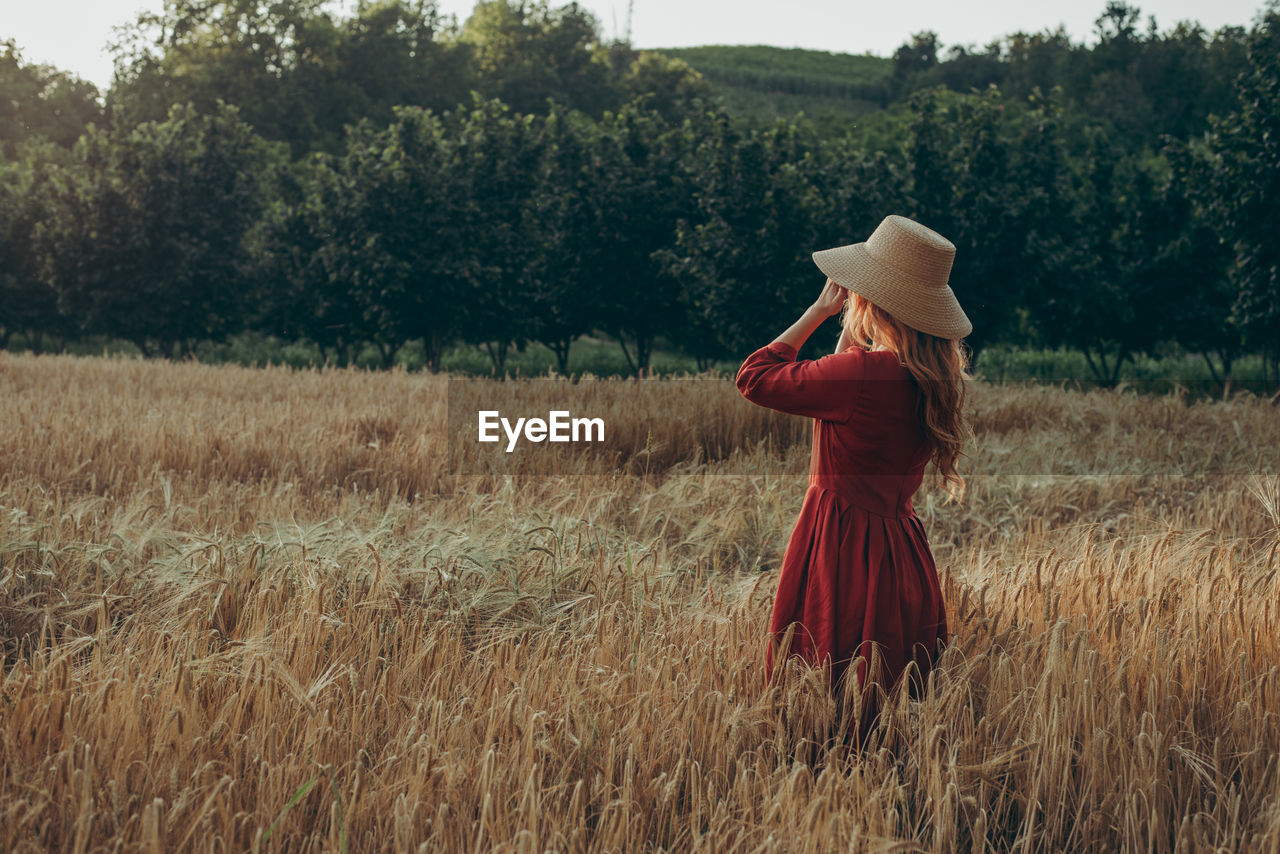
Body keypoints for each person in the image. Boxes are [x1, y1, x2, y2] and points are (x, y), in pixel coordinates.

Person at [734, 214, 973, 741]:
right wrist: (849, 335)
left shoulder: (860, 374)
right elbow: (847, 390)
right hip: (901, 553)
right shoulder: (933, 376)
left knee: (826, 695)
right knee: (890, 705)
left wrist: (820, 311)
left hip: (839, 547)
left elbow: (754, 377)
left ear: (870, 298)